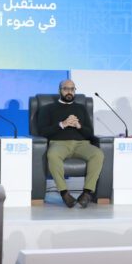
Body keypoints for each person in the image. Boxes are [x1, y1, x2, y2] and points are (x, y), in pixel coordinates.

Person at [37, 79, 104, 208]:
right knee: (52, 155)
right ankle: (64, 193)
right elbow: (42, 132)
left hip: (82, 144)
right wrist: (62, 124)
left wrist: (79, 126)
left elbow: (90, 133)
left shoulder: (81, 108)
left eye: (72, 89)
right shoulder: (48, 109)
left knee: (98, 154)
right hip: (59, 143)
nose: (69, 92)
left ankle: (87, 193)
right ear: (59, 90)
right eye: (66, 89)